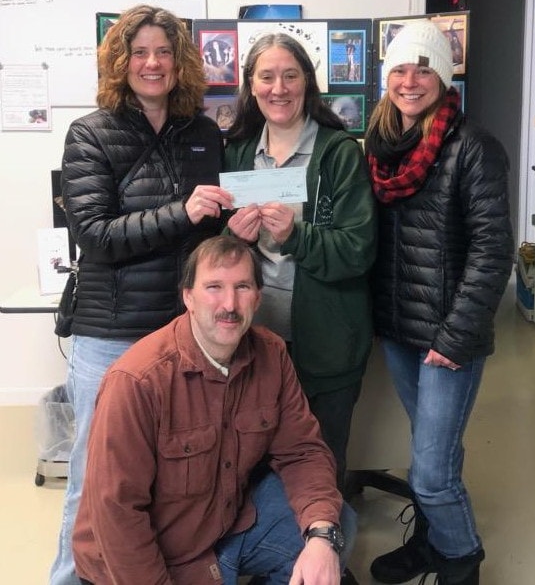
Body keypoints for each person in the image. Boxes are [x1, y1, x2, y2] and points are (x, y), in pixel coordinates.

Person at [50, 5, 233, 585]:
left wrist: (239, 226)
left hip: (183, 332)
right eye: (139, 52)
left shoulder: (203, 133)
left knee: (172, 475)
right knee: (94, 478)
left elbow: (208, 230)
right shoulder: (90, 133)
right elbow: (93, 235)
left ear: (180, 63)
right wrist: (182, 212)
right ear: (119, 62)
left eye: (164, 52)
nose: (152, 63)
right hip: (112, 332)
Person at [72, 235, 356, 585]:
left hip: (222, 526)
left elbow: (303, 452)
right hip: (148, 561)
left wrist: (322, 536)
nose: (230, 304)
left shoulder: (271, 354)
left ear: (258, 297)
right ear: (188, 297)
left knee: (335, 524)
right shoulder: (137, 380)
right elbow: (117, 513)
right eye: (214, 287)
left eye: (242, 287)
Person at [364, 20, 514, 585]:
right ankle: (429, 541)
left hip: (449, 338)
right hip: (398, 328)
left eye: (423, 70)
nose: (410, 81)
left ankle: (460, 561)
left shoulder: (473, 147)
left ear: (444, 78)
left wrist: (455, 338)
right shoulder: (379, 147)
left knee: (429, 473)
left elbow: (492, 251)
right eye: (400, 69)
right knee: (436, 455)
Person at [224, 33, 376, 495]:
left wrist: (297, 235)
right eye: (266, 77)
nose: (279, 88)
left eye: (290, 76)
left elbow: (358, 250)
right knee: (253, 465)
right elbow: (218, 254)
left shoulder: (339, 152)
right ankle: (272, 542)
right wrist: (233, 237)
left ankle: (326, 539)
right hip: (253, 339)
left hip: (326, 341)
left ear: (307, 82)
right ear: (251, 85)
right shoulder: (238, 151)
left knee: (320, 464)